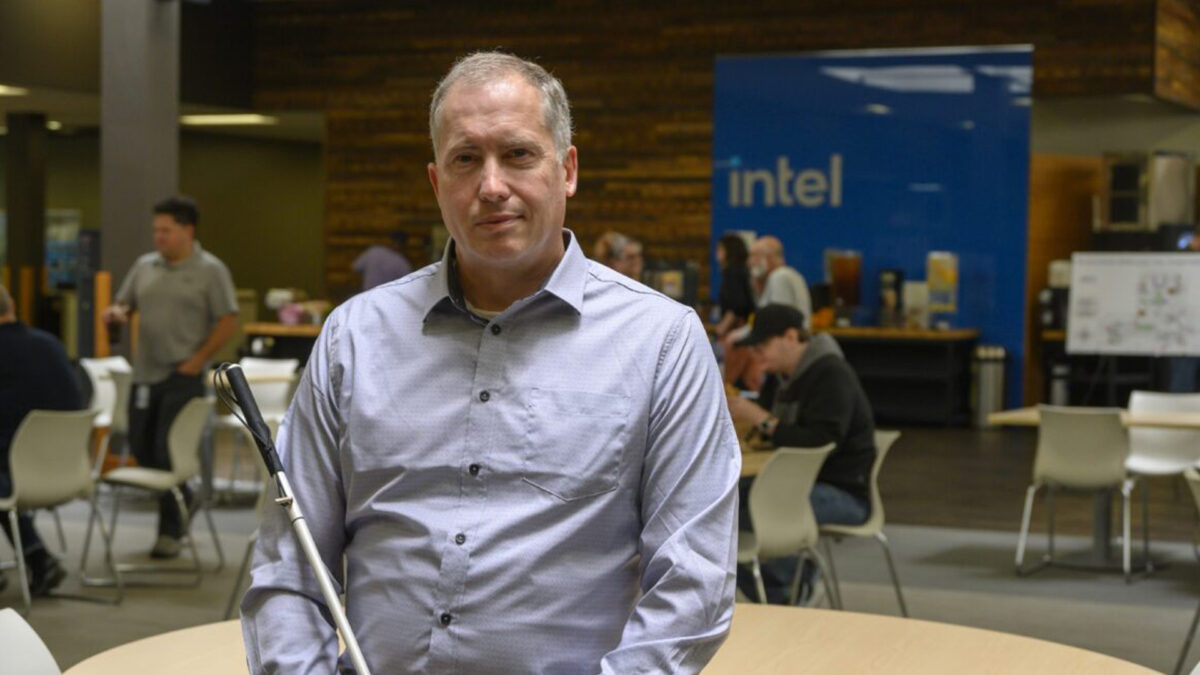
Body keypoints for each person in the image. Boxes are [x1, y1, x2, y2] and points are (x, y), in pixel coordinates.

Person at [241, 52, 740, 673]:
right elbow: (290, 566)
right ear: (436, 182)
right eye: (465, 159)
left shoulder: (661, 342)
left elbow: (693, 584)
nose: (491, 185)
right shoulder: (353, 338)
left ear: (568, 170)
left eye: (519, 155)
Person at [102, 195, 238, 559]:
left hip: (183, 374)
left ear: (188, 230)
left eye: (166, 230)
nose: (158, 237)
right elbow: (125, 303)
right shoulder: (145, 266)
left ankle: (169, 532)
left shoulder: (211, 270)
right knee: (143, 449)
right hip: (145, 374)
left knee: (167, 450)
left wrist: (198, 361)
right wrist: (115, 313)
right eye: (155, 230)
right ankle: (186, 499)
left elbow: (228, 318)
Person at [726, 304, 876, 604]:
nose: (757, 354)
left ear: (792, 337)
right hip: (797, 484)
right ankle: (786, 585)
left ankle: (788, 588)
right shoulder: (783, 378)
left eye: (763, 344)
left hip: (843, 492)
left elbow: (821, 443)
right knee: (718, 504)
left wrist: (760, 419)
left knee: (735, 514)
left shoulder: (831, 373)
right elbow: (778, 434)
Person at [0, 284, 80, 595]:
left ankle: (38, 557)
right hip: (68, 470)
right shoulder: (51, 344)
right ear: (14, 305)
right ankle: (38, 558)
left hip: (18, 475)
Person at [749, 236, 812, 327]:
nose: (750, 261)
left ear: (769, 257)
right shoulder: (778, 276)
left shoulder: (780, 277)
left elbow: (777, 323)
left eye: (755, 255)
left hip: (788, 339)